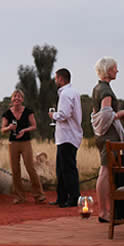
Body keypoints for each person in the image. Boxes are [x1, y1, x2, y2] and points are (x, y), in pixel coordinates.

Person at [91, 57, 124, 222]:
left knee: (105, 171)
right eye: (115, 68)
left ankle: (106, 211)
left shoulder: (97, 88)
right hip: (109, 137)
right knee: (106, 172)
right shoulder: (105, 90)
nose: (117, 71)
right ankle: (104, 212)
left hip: (103, 136)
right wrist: (122, 114)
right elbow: (107, 113)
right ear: (108, 70)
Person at [1, 90, 44, 204]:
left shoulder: (28, 112)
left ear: (22, 99)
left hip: (26, 142)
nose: (17, 98)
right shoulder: (7, 114)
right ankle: (20, 197)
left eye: (19, 97)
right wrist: (9, 128)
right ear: (12, 99)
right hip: (13, 143)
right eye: (15, 96)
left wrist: (24, 130)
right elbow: (3, 129)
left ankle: (39, 195)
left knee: (30, 167)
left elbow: (34, 126)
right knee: (15, 170)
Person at [49, 68, 83, 208]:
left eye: (56, 78)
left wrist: (53, 116)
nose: (55, 80)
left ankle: (74, 197)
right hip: (66, 136)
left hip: (67, 136)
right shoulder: (73, 92)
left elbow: (64, 114)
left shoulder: (66, 94)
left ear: (61, 79)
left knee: (68, 168)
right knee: (61, 169)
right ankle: (62, 197)